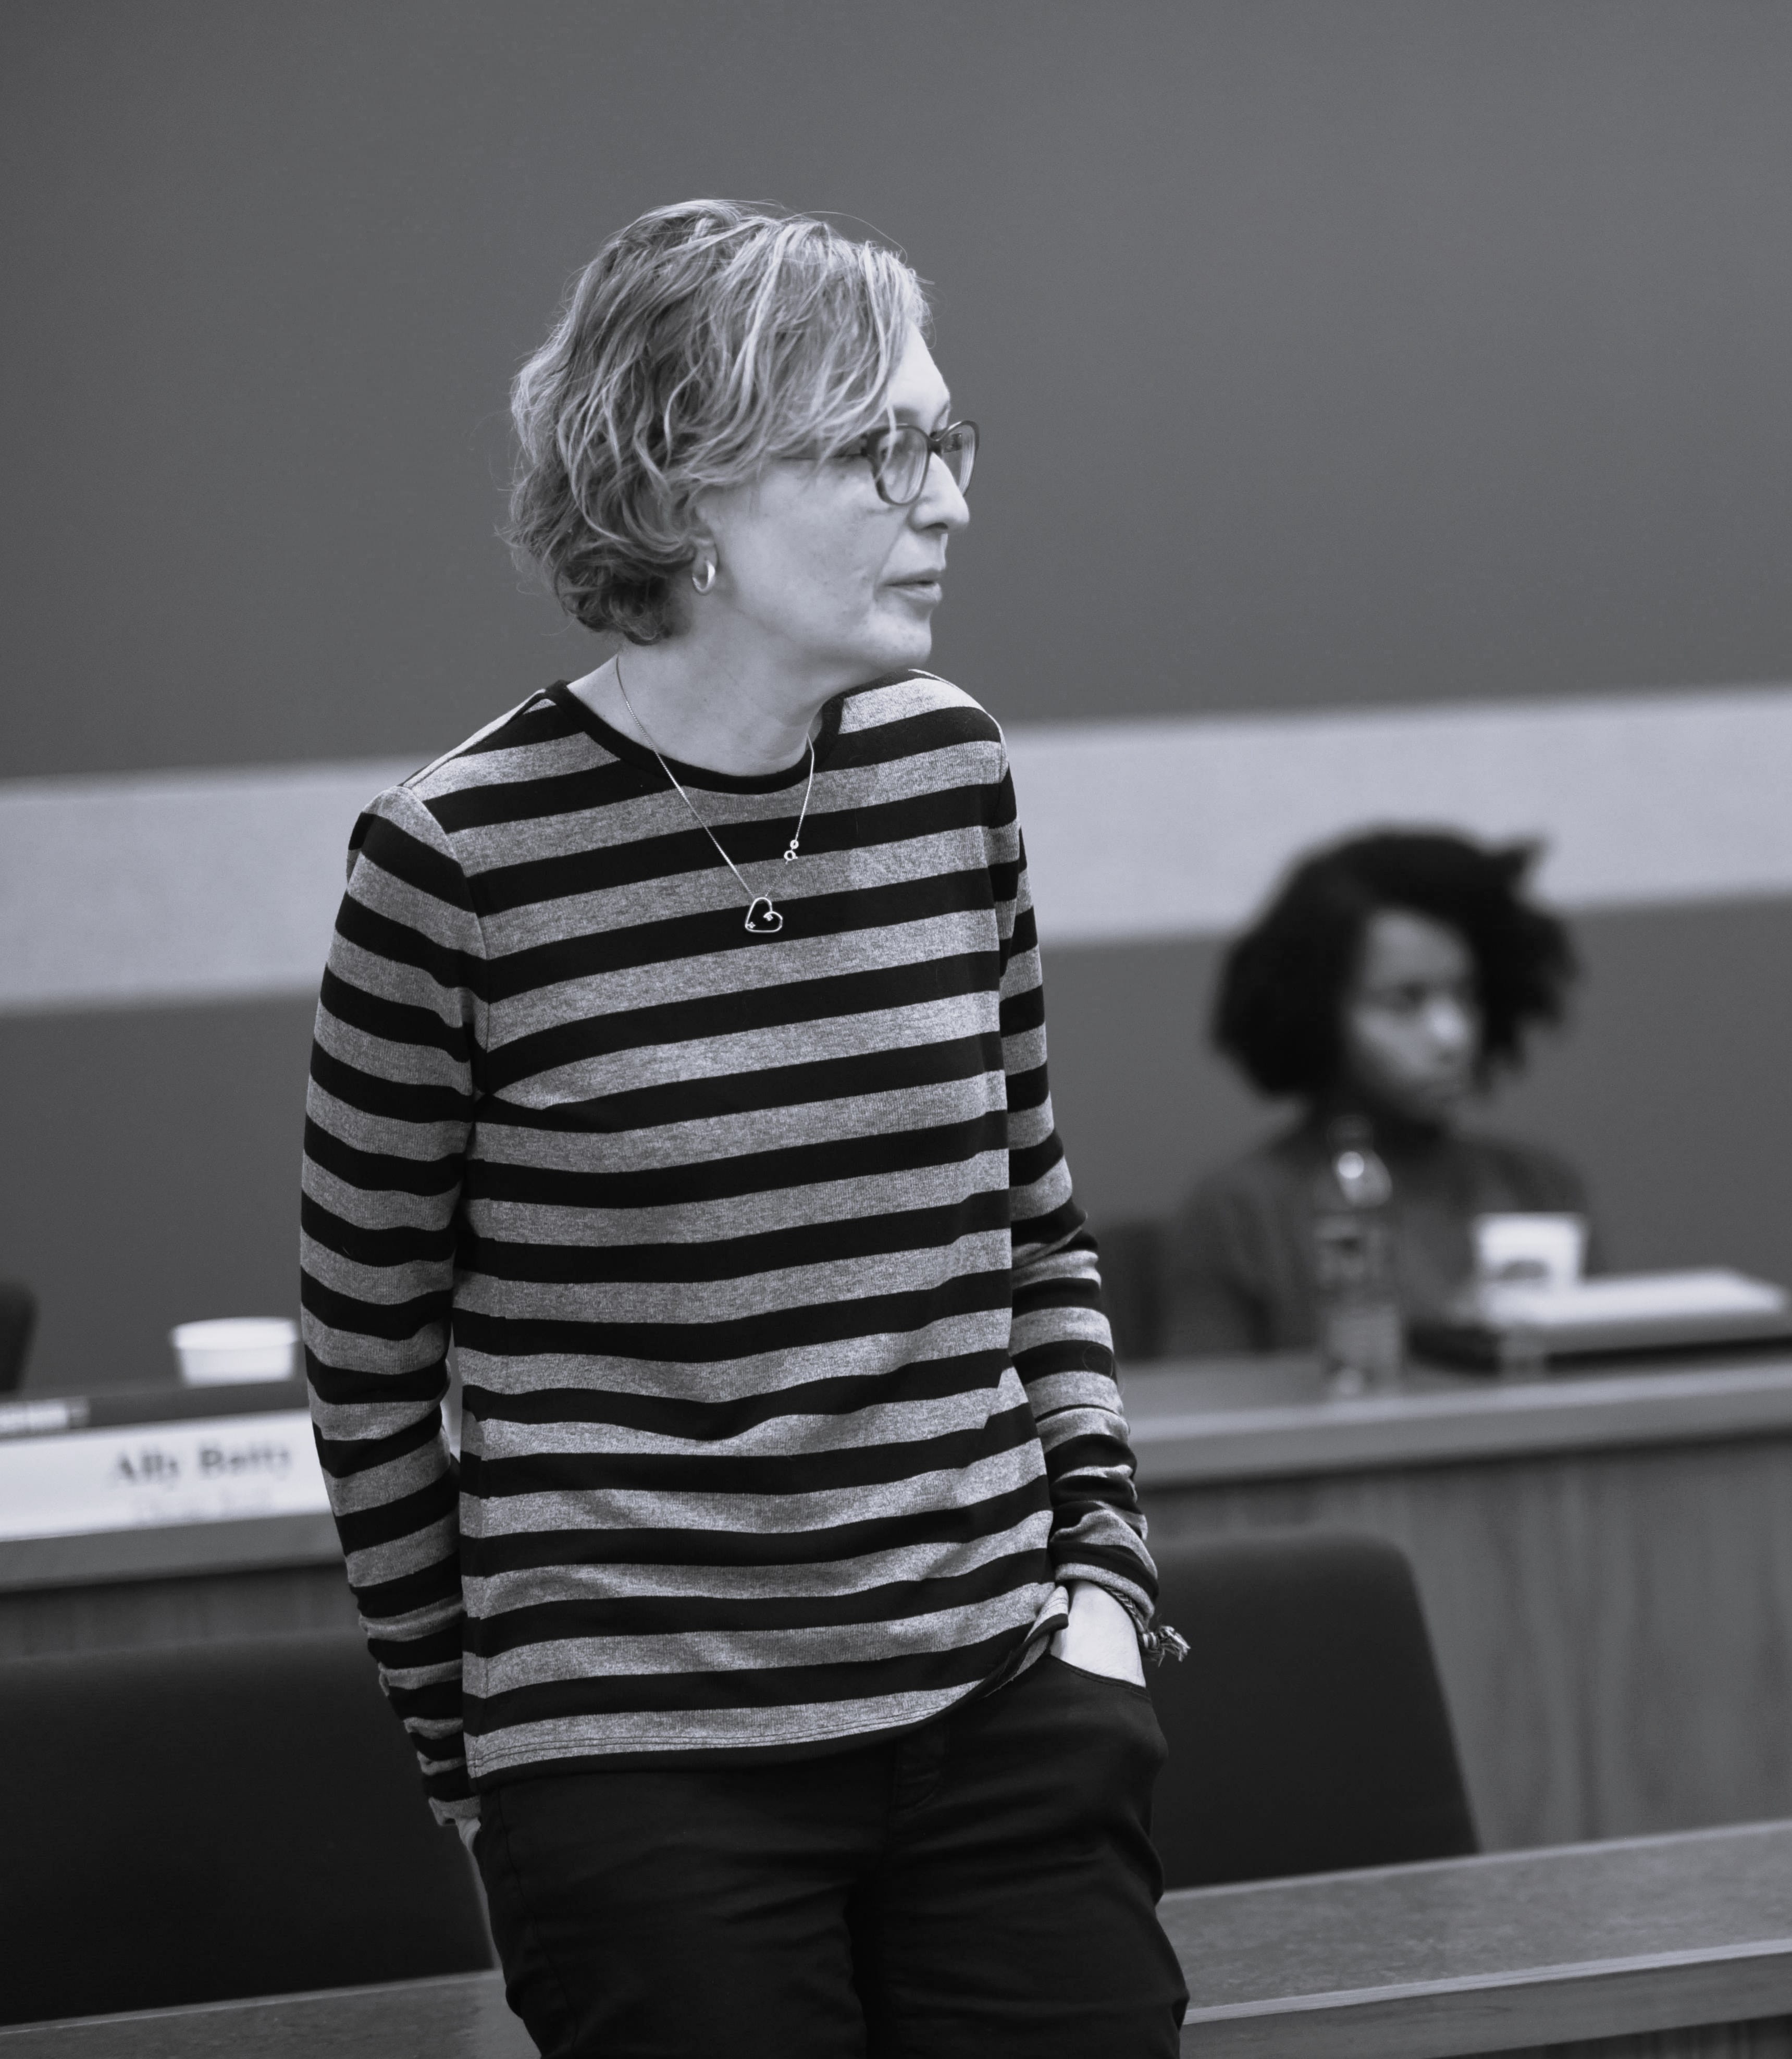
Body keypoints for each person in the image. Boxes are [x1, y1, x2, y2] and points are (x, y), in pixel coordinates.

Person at [298, 201, 1185, 2057]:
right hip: (646, 1786)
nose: (944, 498)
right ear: (685, 488)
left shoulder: (951, 771)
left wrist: (1097, 1584)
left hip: (1003, 1715)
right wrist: (478, 1754)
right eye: (881, 449)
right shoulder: (451, 859)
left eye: (947, 442)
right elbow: (368, 1359)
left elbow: (1030, 1223)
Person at [1160, 830, 1587, 1354]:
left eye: (1466, 995)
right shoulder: (1240, 1212)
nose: (1451, 1035)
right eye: (1404, 1002)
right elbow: (1212, 1423)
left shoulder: (1537, 1187)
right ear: (1318, 1013)